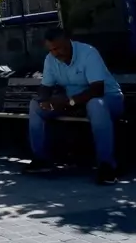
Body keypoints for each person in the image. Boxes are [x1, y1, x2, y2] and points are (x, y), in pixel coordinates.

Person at [23, 26, 124, 184]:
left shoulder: (88, 53)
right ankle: (42, 160)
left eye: (59, 48)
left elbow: (97, 89)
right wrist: (45, 101)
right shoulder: (51, 59)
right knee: (35, 106)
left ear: (68, 41)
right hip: (75, 102)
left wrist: (68, 102)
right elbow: (46, 87)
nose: (56, 53)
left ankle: (107, 166)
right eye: (52, 49)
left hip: (108, 99)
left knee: (96, 105)